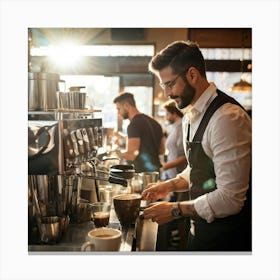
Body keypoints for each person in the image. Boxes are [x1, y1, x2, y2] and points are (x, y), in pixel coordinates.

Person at [142, 40, 252, 251]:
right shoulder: (190, 115)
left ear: (192, 75)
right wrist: (170, 185)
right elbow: (199, 167)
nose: (166, 93)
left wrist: (175, 209)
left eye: (169, 84)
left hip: (229, 240)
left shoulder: (227, 118)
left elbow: (230, 199)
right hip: (201, 230)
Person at [113, 92, 165, 173]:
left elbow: (131, 155)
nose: (118, 113)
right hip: (155, 171)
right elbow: (162, 150)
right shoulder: (154, 123)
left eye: (119, 109)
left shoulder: (133, 125)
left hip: (141, 173)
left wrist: (116, 153)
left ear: (126, 105)